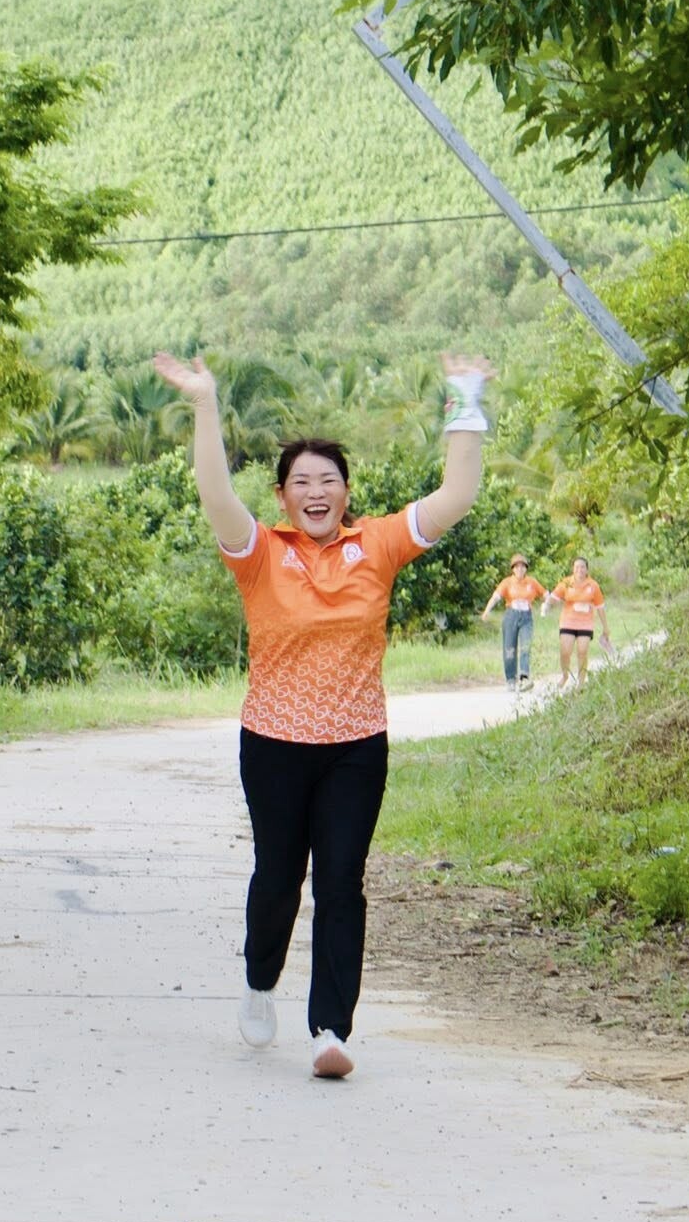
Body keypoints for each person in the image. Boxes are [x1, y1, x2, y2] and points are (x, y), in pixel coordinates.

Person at [152, 348, 489, 1080]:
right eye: (300, 481)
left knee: (342, 880)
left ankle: (331, 1029)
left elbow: (457, 494)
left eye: (327, 480)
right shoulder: (259, 554)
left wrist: (466, 396)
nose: (315, 490)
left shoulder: (379, 546)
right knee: (279, 875)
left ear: (345, 493)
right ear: (282, 496)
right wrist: (205, 403)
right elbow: (214, 494)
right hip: (272, 742)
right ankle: (258, 978)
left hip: (354, 747)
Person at [543, 556, 612, 688]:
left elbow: (600, 608)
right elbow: (554, 597)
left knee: (582, 651)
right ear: (573, 569)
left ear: (587, 570)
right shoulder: (567, 582)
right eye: (577, 567)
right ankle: (565, 675)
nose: (579, 570)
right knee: (565, 651)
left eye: (582, 567)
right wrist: (546, 605)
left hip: (585, 623)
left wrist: (605, 628)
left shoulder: (593, 585)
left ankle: (581, 682)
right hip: (568, 621)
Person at [479, 554, 544, 692]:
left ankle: (524, 676)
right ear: (513, 569)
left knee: (525, 645)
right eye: (517, 567)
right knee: (509, 649)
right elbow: (496, 597)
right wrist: (487, 611)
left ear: (526, 569)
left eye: (522, 567)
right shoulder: (507, 582)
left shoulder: (531, 582)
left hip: (526, 616)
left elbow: (545, 595)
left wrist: (549, 604)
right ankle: (510, 679)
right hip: (511, 615)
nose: (520, 569)